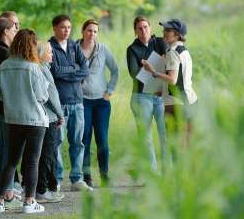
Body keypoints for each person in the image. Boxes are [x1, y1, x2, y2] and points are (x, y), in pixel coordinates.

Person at [0, 29, 49, 214]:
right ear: (32, 45)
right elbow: (43, 96)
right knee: (32, 162)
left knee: (11, 161)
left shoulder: (4, 66)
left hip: (13, 119)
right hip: (34, 120)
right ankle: (29, 203)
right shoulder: (34, 67)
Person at [49, 14, 92, 191]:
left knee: (78, 142)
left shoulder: (75, 46)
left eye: (69, 27)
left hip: (78, 102)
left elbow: (85, 69)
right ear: (54, 28)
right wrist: (73, 69)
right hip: (60, 104)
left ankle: (77, 179)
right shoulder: (49, 47)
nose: (66, 31)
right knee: (57, 142)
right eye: (62, 27)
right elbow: (55, 71)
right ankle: (57, 179)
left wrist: (71, 72)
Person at [142, 19, 198, 144]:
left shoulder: (172, 52)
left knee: (176, 146)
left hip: (176, 104)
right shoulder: (184, 51)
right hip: (190, 101)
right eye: (164, 29)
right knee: (187, 146)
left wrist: (153, 71)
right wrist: (163, 89)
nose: (164, 32)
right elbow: (180, 79)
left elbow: (172, 79)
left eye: (168, 30)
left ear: (178, 34)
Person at [78, 19, 118, 187]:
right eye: (89, 30)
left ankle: (104, 175)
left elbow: (115, 71)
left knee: (102, 139)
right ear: (83, 31)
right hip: (82, 101)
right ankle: (87, 177)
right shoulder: (74, 48)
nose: (92, 34)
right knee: (84, 139)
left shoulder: (103, 50)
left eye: (95, 31)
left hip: (101, 102)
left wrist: (109, 91)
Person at [126, 16, 167, 172]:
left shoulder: (160, 42)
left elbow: (169, 64)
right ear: (135, 31)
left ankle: (167, 172)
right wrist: (157, 66)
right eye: (139, 28)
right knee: (146, 139)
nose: (143, 30)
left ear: (150, 27)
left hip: (161, 96)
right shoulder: (132, 49)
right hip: (142, 97)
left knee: (165, 136)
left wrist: (148, 66)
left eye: (145, 27)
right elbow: (134, 73)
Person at [0, 16, 20, 203]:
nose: (16, 30)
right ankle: (5, 191)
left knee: (4, 148)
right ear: (6, 31)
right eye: (13, 28)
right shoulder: (2, 52)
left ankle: (3, 189)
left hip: (2, 107)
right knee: (7, 150)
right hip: (5, 108)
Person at [35, 41, 64, 203]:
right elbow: (51, 94)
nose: (52, 55)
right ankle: (42, 190)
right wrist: (60, 114)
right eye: (50, 52)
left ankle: (46, 187)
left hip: (42, 118)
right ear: (41, 53)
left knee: (44, 154)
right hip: (50, 117)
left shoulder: (38, 68)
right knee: (47, 154)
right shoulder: (42, 69)